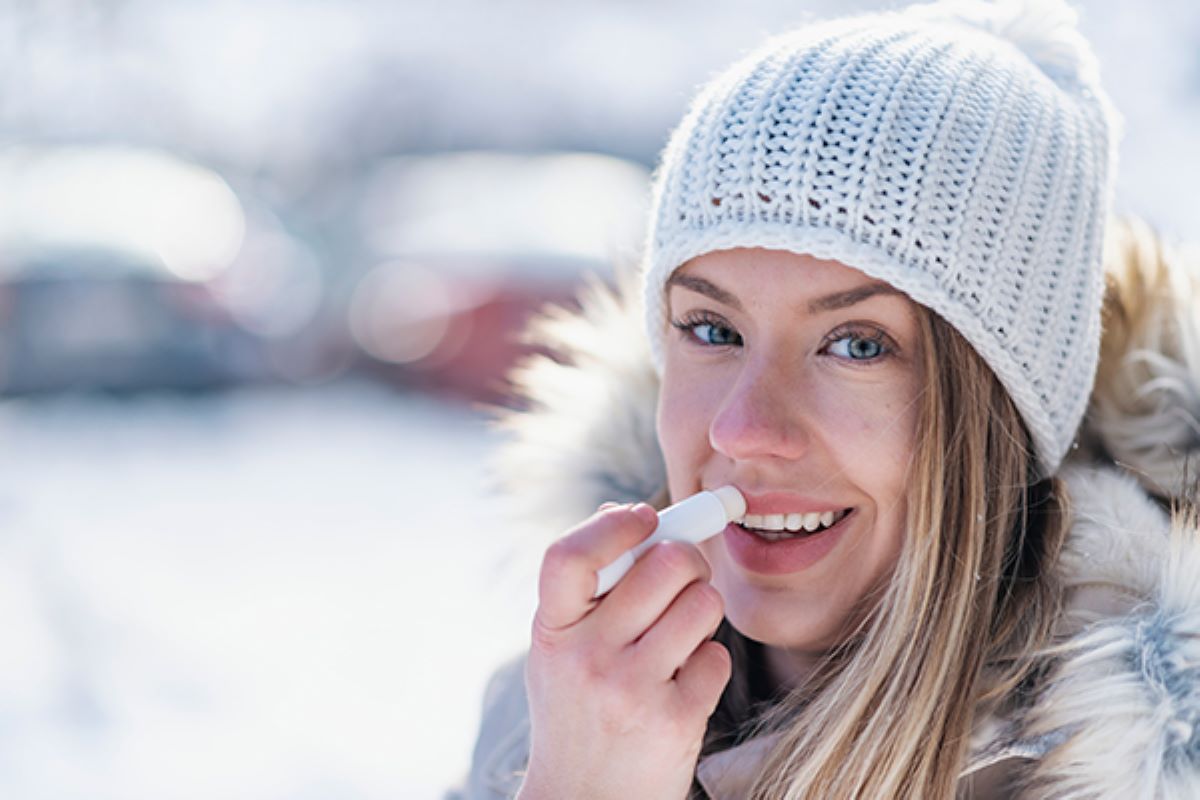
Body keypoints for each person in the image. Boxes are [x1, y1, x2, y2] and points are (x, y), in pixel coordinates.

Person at [453, 0, 1200, 797]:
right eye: (711, 328)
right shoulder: (547, 726)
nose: (744, 429)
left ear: (1001, 413)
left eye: (857, 345)